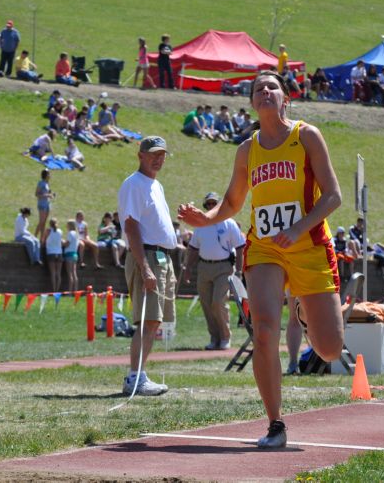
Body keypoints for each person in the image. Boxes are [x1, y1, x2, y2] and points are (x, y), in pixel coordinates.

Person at [178, 71, 344, 449]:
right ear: (252, 102)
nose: (265, 92)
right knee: (265, 329)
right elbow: (233, 203)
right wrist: (205, 218)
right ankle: (275, 424)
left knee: (330, 349)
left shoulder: (306, 136)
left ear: (286, 98)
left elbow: (333, 196)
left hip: (310, 244)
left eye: (272, 87)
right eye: (258, 89)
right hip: (265, 247)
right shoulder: (246, 150)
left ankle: (302, 308)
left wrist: (300, 227)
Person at [118, 136, 177, 396]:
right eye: (153, 153)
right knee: (147, 320)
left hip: (161, 257)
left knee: (154, 321)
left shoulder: (156, 185)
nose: (159, 158)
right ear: (140, 155)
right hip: (149, 256)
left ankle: (140, 374)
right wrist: (145, 267)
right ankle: (135, 377)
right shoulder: (134, 184)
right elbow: (131, 227)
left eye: (162, 154)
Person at [182, 192, 245, 351]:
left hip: (224, 268)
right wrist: (188, 268)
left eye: (214, 204)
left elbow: (240, 247)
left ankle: (225, 337)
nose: (211, 206)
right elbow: (193, 248)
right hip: (204, 267)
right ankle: (214, 338)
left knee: (218, 302)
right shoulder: (200, 226)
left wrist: (238, 271)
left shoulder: (229, 223)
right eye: (208, 204)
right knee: (206, 305)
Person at [43, 218, 64, 292]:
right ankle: (57, 290)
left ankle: (53, 290)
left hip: (51, 252)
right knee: (58, 273)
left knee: (53, 273)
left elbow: (43, 240)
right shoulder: (60, 231)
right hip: (59, 253)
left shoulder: (48, 231)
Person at [35, 169, 55, 237]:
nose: (50, 175)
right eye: (49, 174)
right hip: (42, 204)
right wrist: (47, 195)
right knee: (41, 222)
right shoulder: (41, 183)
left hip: (47, 204)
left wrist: (51, 195)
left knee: (44, 223)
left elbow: (46, 193)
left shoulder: (47, 183)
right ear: (45, 175)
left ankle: (41, 239)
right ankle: (35, 236)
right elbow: (37, 194)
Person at [63, 219, 79, 291]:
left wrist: (62, 243)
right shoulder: (76, 234)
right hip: (75, 254)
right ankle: (75, 290)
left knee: (70, 274)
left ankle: (69, 291)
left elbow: (67, 244)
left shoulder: (70, 233)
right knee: (74, 273)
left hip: (69, 254)